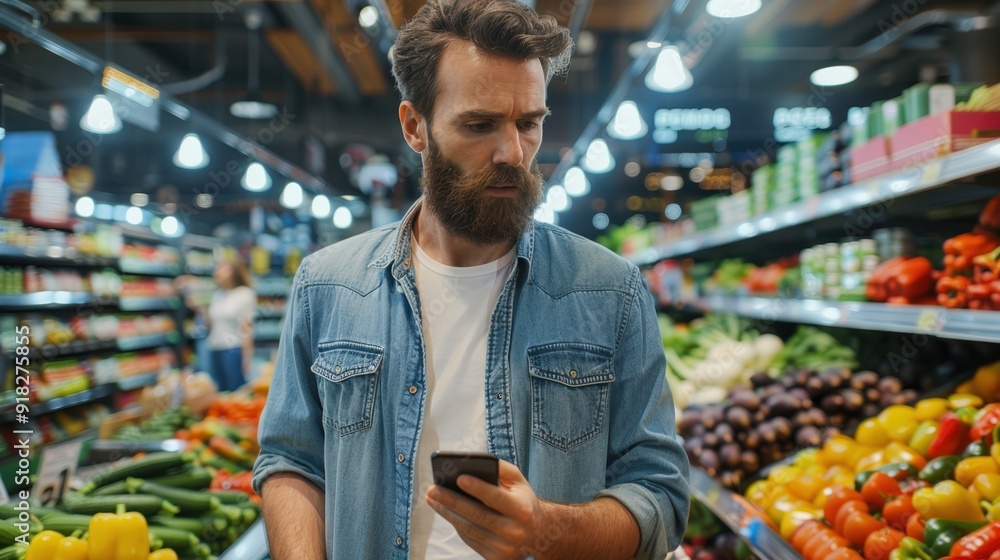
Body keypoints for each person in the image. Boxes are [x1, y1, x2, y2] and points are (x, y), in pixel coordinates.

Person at [252, 1, 690, 558]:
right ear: (415, 127)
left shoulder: (610, 293)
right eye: (479, 125)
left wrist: (544, 530)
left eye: (529, 123)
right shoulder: (328, 286)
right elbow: (291, 461)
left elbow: (660, 496)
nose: (513, 153)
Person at [182, 260, 256, 392]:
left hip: (233, 349)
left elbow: (247, 329)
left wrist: (247, 358)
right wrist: (198, 308)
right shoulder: (218, 294)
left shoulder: (244, 294)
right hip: (214, 347)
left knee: (236, 389)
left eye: (223, 269)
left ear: (234, 272)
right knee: (219, 389)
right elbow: (211, 325)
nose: (218, 272)